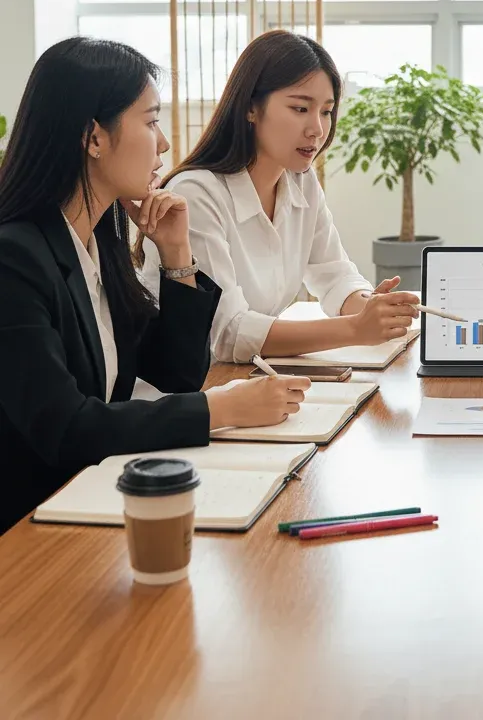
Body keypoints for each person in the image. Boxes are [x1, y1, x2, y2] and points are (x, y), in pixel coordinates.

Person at [0, 38, 311, 534]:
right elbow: (66, 428)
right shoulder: (15, 259)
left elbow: (175, 375)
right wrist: (219, 409)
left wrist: (176, 257)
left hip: (93, 501)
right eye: (149, 121)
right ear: (93, 137)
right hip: (32, 530)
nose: (164, 143)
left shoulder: (99, 242)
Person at [140, 30, 419, 364]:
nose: (317, 128)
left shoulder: (301, 181)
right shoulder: (195, 194)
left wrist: (373, 308)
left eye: (327, 111)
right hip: (193, 390)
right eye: (300, 108)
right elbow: (226, 333)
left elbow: (334, 274)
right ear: (250, 108)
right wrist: (356, 329)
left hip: (249, 378)